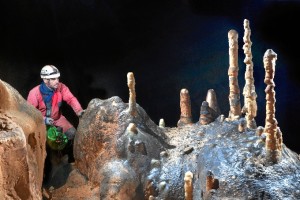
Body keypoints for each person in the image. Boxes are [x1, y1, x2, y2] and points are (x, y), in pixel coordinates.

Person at [27, 65, 84, 185]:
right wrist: (44, 120)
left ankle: (69, 161)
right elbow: (30, 114)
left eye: (57, 78)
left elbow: (71, 99)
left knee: (72, 134)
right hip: (40, 123)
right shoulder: (34, 93)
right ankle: (46, 176)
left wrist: (79, 111)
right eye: (53, 79)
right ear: (45, 80)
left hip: (57, 119)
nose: (57, 81)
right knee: (46, 147)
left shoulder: (61, 87)